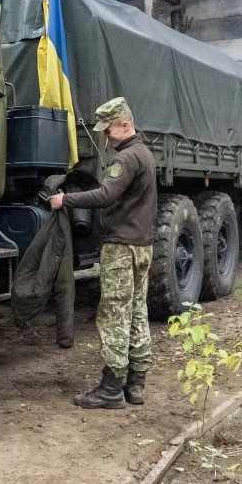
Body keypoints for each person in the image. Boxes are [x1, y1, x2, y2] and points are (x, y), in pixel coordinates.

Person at [48, 97, 157, 409]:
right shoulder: (145, 153)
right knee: (137, 312)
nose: (107, 138)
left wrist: (65, 199)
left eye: (110, 131)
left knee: (114, 315)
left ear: (126, 124)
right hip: (142, 245)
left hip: (122, 248)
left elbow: (106, 194)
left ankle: (111, 389)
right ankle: (135, 386)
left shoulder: (127, 158)